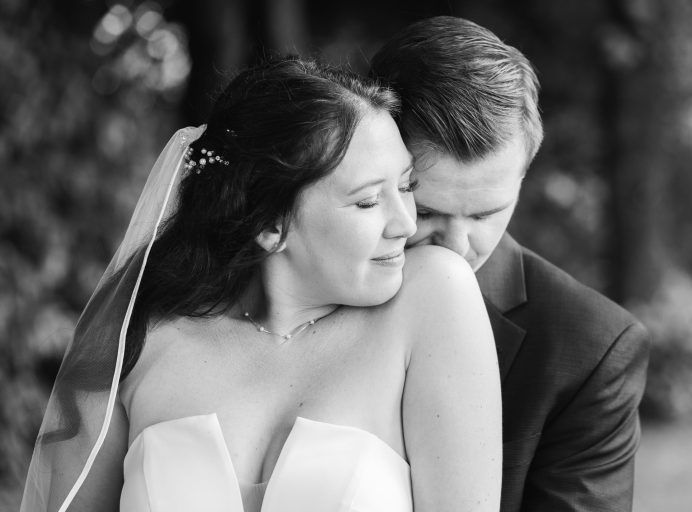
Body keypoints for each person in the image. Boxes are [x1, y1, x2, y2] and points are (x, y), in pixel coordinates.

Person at [21, 57, 502, 512]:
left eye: (405, 187)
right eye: (367, 201)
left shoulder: (432, 296)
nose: (406, 224)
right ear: (271, 225)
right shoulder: (143, 333)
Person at [370, 16, 650, 512]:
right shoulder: (284, 287)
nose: (456, 247)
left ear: (523, 174)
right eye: (427, 210)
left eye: (485, 213)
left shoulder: (589, 350)